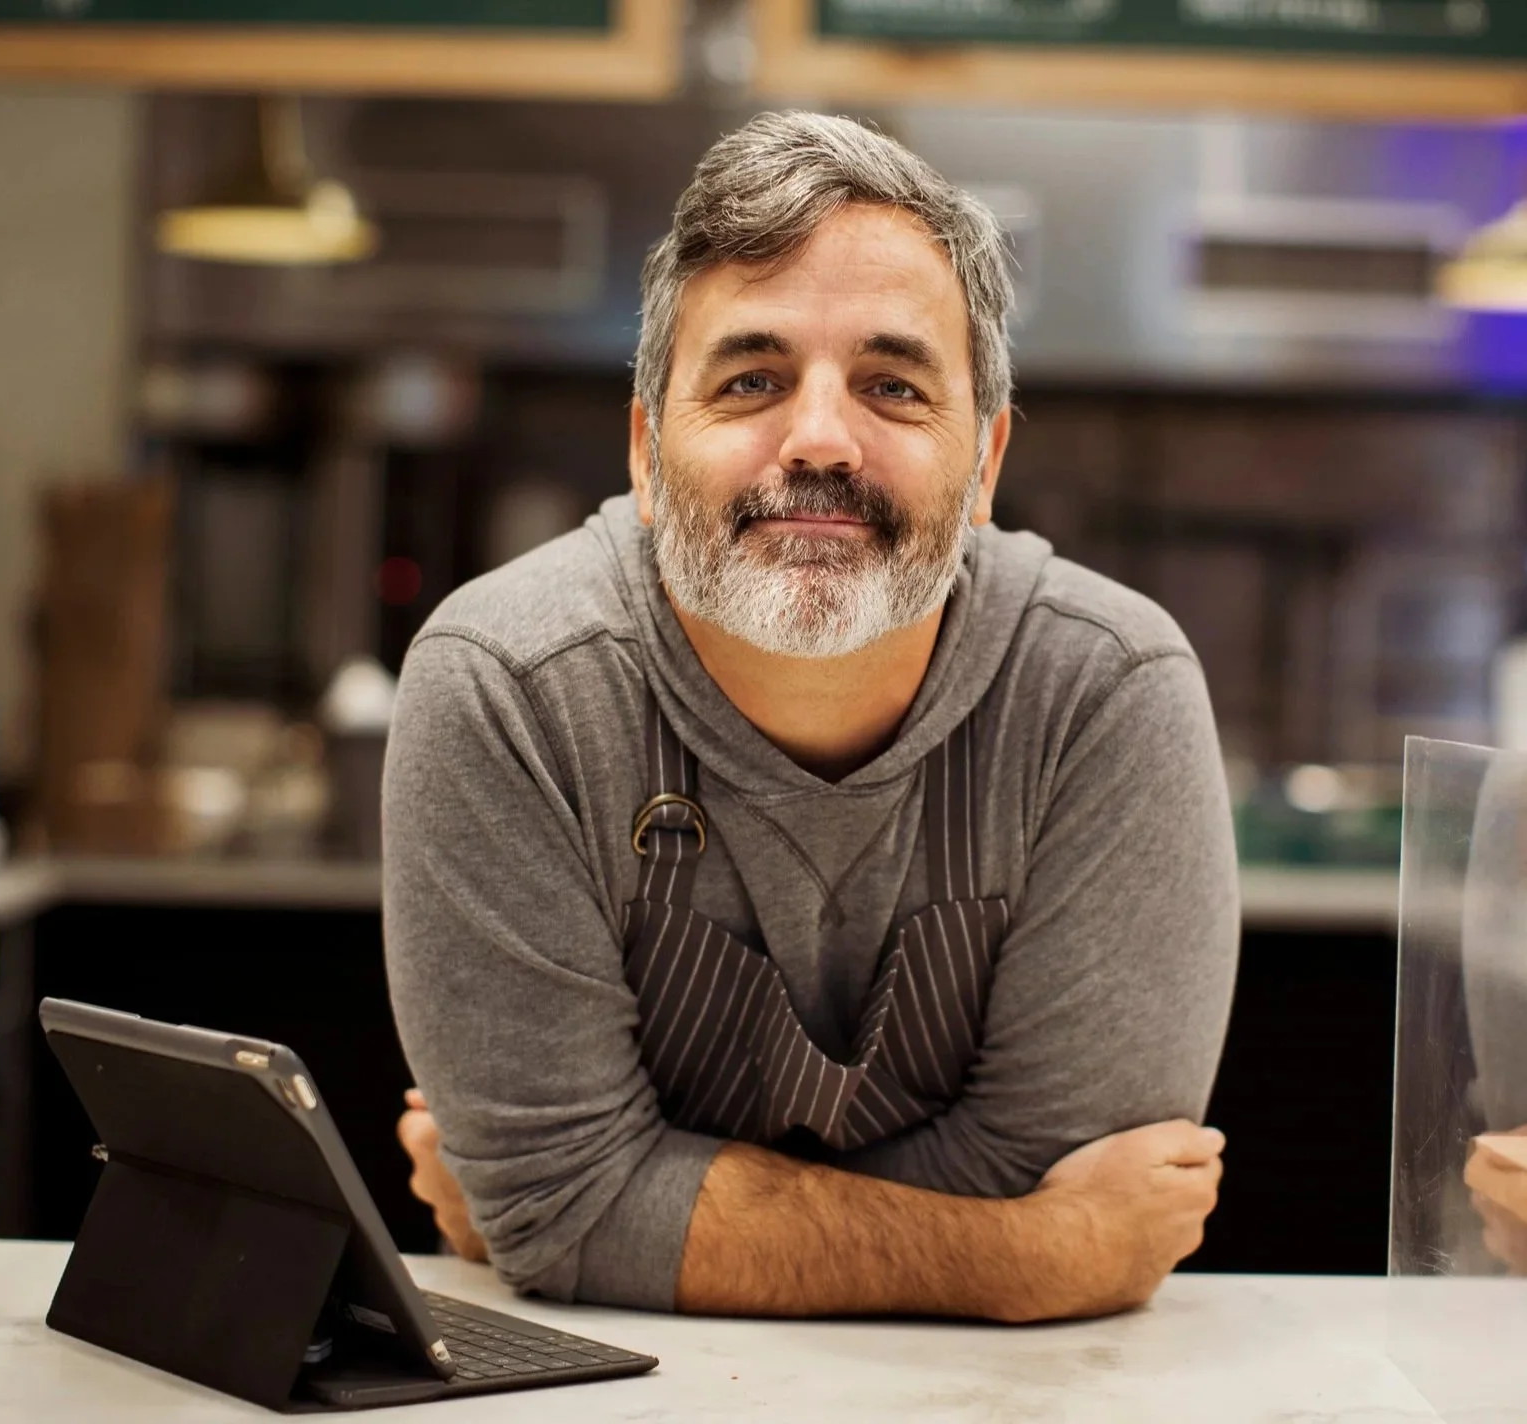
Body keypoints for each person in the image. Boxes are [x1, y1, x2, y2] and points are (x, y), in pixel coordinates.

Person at [385, 111, 1239, 1322]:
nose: (821, 439)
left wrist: (608, 1215)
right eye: (751, 378)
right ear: (643, 452)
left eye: (891, 384)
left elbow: (565, 1209)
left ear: (984, 462)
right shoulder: (506, 684)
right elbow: (565, 1202)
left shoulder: (1105, 691)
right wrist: (1035, 1256)